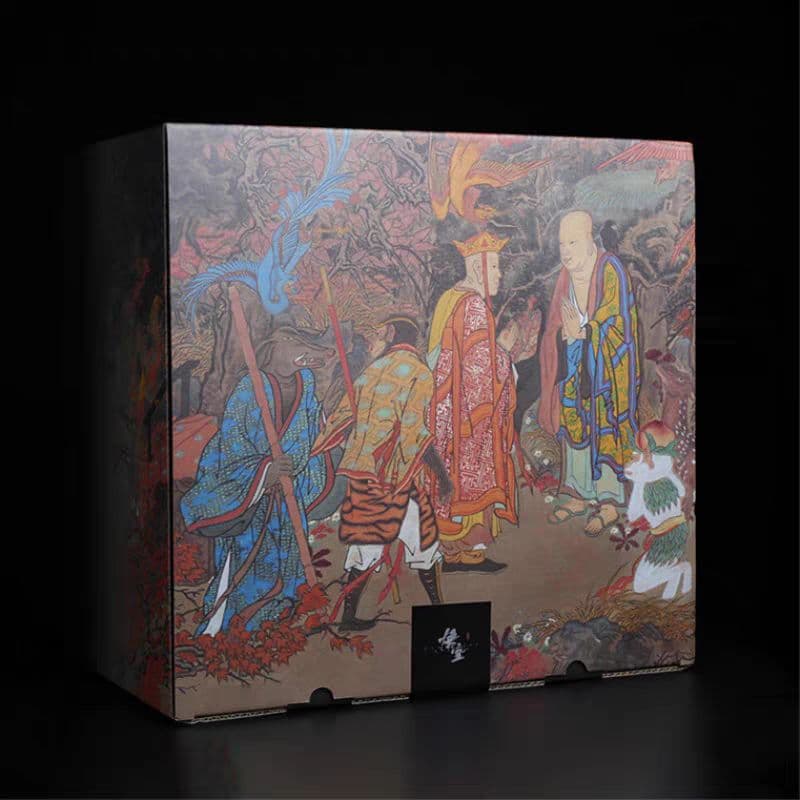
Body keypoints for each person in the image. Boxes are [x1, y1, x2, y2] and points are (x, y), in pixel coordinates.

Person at [180, 325, 336, 634]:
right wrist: (265, 471)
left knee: (288, 559)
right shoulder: (249, 387)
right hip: (250, 493)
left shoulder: (305, 382)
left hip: (286, 492)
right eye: (300, 345)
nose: (308, 355)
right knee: (248, 560)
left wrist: (293, 463)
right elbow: (234, 441)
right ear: (278, 344)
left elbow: (307, 429)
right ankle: (231, 626)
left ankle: (277, 623)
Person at [312, 316, 452, 631]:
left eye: (381, 333)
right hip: (393, 474)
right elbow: (415, 434)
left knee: (368, 541)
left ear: (391, 333)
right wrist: (443, 477)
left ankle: (351, 616)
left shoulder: (371, 372)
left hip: (363, 472)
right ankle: (436, 609)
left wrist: (347, 443)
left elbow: (341, 418)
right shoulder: (418, 373)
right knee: (422, 538)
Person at [538, 210, 641, 536]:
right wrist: (565, 336)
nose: (566, 251)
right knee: (574, 421)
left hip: (606, 371)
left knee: (604, 425)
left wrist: (585, 331)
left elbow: (618, 322)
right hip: (574, 364)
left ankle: (609, 503)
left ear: (588, 239)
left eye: (572, 242)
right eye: (561, 244)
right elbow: (555, 325)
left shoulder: (610, 269)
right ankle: (578, 495)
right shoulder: (565, 277)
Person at [427, 231, 518, 573]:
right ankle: (464, 551)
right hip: (468, 413)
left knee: (450, 478)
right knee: (470, 477)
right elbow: (480, 371)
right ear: (478, 267)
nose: (499, 274)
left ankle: (455, 553)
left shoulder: (448, 298)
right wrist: (505, 351)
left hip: (445, 408)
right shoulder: (474, 305)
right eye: (494, 267)